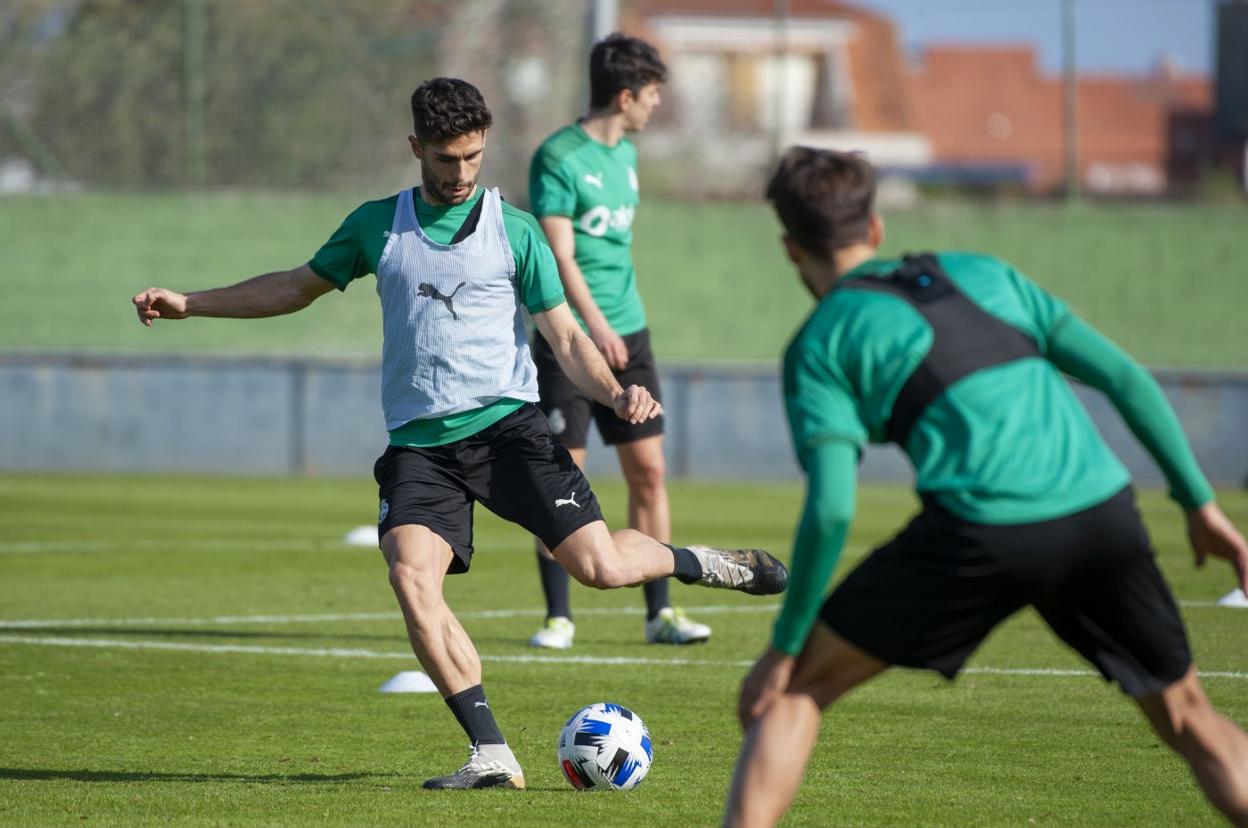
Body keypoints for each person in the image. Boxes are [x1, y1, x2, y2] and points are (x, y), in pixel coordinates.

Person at [131, 77, 788, 791]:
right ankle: (492, 754)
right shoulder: (376, 226)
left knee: (600, 570)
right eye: (447, 159)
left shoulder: (515, 229)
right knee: (412, 576)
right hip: (420, 447)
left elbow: (565, 338)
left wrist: (614, 390)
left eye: (474, 157)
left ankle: (702, 562)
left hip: (510, 431)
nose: (462, 173)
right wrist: (190, 304)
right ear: (416, 148)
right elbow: (293, 287)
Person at [723, 147, 1248, 827]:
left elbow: (831, 507)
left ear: (792, 250)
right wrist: (1199, 504)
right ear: (875, 227)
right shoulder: (984, 273)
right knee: (1189, 718)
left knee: (792, 694)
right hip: (1101, 514)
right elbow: (1125, 379)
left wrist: (784, 648)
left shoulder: (820, 343)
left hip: (978, 531)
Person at [525, 33, 710, 649]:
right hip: (571, 338)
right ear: (626, 95)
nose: (657, 105)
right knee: (564, 479)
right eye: (653, 94)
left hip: (632, 333)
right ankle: (559, 616)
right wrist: (595, 325)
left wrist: (619, 324)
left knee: (650, 474)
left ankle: (660, 614)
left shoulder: (626, 155)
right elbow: (559, 253)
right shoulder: (558, 155)